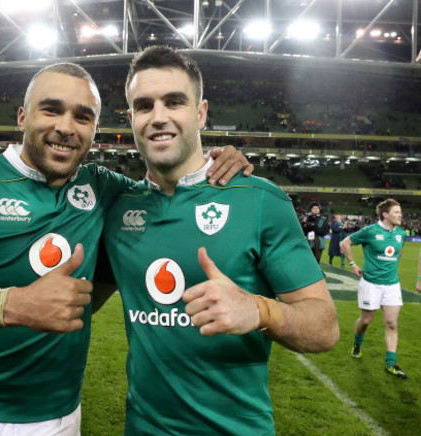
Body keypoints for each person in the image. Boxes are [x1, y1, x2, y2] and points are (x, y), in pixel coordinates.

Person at [0, 62, 253, 435]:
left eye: (83, 116)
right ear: (22, 116)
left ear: (95, 130)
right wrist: (16, 304)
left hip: (62, 418)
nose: (65, 127)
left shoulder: (105, 189)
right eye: (51, 109)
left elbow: (170, 182)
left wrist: (221, 160)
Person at [98, 46, 339, 435]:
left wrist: (260, 311)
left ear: (201, 112)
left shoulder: (261, 200)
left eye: (174, 101)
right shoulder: (116, 210)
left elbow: (325, 327)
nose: (159, 117)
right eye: (144, 106)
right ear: (131, 118)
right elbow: (80, 302)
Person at [341, 198, 408, 378]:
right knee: (366, 320)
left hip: (392, 284)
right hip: (370, 283)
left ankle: (390, 363)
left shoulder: (401, 233)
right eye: (396, 212)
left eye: (400, 212)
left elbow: (399, 252)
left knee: (392, 324)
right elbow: (345, 243)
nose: (400, 215)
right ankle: (357, 344)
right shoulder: (370, 231)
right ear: (385, 214)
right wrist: (353, 264)